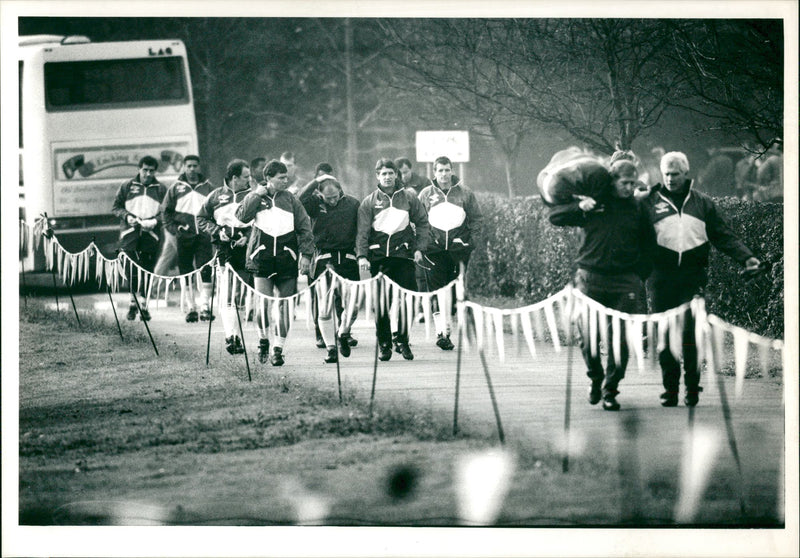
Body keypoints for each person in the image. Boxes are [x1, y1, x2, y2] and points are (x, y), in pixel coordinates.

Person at [643, 151, 761, 407]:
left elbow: (723, 234)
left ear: (686, 174)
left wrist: (746, 257)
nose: (671, 179)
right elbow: (632, 236)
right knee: (666, 336)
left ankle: (692, 388)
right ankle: (670, 390)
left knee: (690, 334)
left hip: (692, 277)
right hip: (660, 278)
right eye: (666, 174)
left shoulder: (703, 203)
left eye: (675, 174)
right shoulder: (650, 203)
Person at [549, 159, 656, 411]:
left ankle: (610, 389)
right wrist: (579, 206)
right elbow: (555, 216)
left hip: (624, 281)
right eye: (624, 183)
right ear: (613, 180)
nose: (629, 188)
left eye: (632, 183)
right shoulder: (594, 200)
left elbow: (650, 244)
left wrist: (639, 275)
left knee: (621, 341)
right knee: (588, 337)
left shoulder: (638, 209)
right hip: (590, 278)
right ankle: (595, 378)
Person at [236, 159, 314, 366]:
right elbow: (241, 217)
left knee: (286, 307)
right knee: (263, 304)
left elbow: (305, 227)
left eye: (286, 177)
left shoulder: (291, 199)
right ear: (268, 178)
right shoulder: (256, 197)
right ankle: (263, 340)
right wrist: (255, 195)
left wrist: (306, 255)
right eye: (281, 178)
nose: (285, 181)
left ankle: (277, 348)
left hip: (286, 259)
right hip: (261, 259)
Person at [356, 158, 430, 361]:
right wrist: (362, 256)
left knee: (410, 300)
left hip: (404, 256)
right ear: (377, 176)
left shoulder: (409, 198)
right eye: (383, 174)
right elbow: (362, 232)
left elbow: (422, 223)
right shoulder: (369, 202)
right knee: (382, 304)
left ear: (396, 175)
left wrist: (419, 249)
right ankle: (385, 344)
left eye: (391, 173)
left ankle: (403, 341)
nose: (387, 177)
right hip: (379, 258)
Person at [418, 156, 483, 351]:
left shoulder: (465, 194)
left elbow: (477, 219)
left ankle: (448, 325)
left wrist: (471, 243)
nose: (444, 174)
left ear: (452, 171)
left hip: (458, 250)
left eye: (447, 170)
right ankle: (442, 333)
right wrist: (421, 245)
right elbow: (418, 221)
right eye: (440, 170)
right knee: (437, 290)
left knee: (454, 291)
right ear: (434, 172)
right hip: (433, 250)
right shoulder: (425, 194)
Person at [299, 173, 361, 364]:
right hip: (324, 259)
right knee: (324, 307)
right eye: (328, 198)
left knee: (354, 304)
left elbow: (362, 229)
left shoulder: (353, 204)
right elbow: (300, 199)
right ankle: (331, 348)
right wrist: (316, 181)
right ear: (320, 194)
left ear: (341, 191)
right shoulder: (315, 204)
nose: (332, 201)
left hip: (348, 259)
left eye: (335, 197)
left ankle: (343, 332)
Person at [197, 159, 253, 355]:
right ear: (234, 178)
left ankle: (236, 335)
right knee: (227, 294)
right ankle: (232, 337)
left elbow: (261, 222)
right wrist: (216, 231)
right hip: (224, 247)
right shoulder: (215, 195)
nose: (250, 179)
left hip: (247, 248)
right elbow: (201, 218)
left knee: (241, 295)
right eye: (246, 177)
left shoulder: (252, 195)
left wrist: (247, 237)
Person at [160, 155, 216, 322]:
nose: (192, 169)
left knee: (205, 268)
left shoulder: (208, 187)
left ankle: (205, 306)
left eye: (195, 166)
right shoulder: (175, 188)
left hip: (203, 236)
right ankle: (191, 307)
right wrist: (175, 229)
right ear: (183, 167)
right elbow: (165, 213)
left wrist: (211, 228)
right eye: (189, 166)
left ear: (199, 167)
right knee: (185, 270)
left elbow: (215, 210)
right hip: (184, 237)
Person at [111, 155, 167, 321]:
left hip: (151, 234)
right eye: (145, 170)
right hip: (129, 233)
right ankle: (132, 302)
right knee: (131, 269)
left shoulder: (161, 189)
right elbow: (116, 207)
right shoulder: (127, 186)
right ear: (139, 169)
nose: (148, 174)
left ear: (155, 171)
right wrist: (127, 217)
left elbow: (166, 213)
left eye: (151, 171)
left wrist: (155, 221)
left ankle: (143, 305)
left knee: (148, 269)